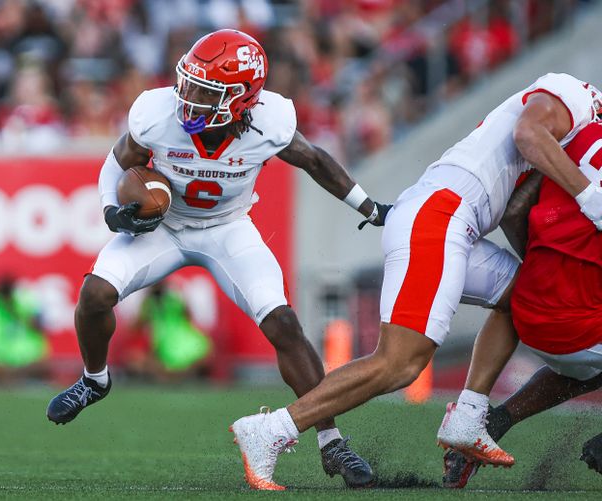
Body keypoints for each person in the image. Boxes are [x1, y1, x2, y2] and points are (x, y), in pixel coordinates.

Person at [45, 29, 390, 490]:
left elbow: (315, 161)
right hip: (163, 229)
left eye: (206, 92)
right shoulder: (156, 112)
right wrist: (112, 211)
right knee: (94, 294)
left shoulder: (272, 122)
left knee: (283, 323)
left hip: (227, 230)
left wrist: (369, 207)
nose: (189, 98)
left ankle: (332, 441)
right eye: (189, 83)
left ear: (244, 98)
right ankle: (94, 379)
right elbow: (117, 160)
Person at [229, 72, 602, 488]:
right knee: (400, 362)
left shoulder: (582, 129)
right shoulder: (578, 96)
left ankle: (469, 415)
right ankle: (271, 430)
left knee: (523, 296)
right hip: (441, 216)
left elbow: (516, 206)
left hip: (450, 218)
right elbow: (528, 133)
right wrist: (591, 198)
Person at [439, 120, 602, 487]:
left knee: (584, 368)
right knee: (585, 355)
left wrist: (545, 264)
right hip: (579, 321)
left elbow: (514, 211)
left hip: (524, 303)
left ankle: (491, 423)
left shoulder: (577, 137)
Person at [126, 282, 212, 381]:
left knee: (142, 363)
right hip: (180, 342)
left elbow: (135, 326)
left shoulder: (155, 301)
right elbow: (188, 315)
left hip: (171, 344)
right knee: (138, 362)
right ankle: (179, 377)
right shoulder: (173, 296)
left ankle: (173, 377)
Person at [0, 275, 50, 381]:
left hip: (26, 360)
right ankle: (9, 379)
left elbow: (39, 327)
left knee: (42, 362)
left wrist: (18, 311)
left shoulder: (25, 304)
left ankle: (11, 379)